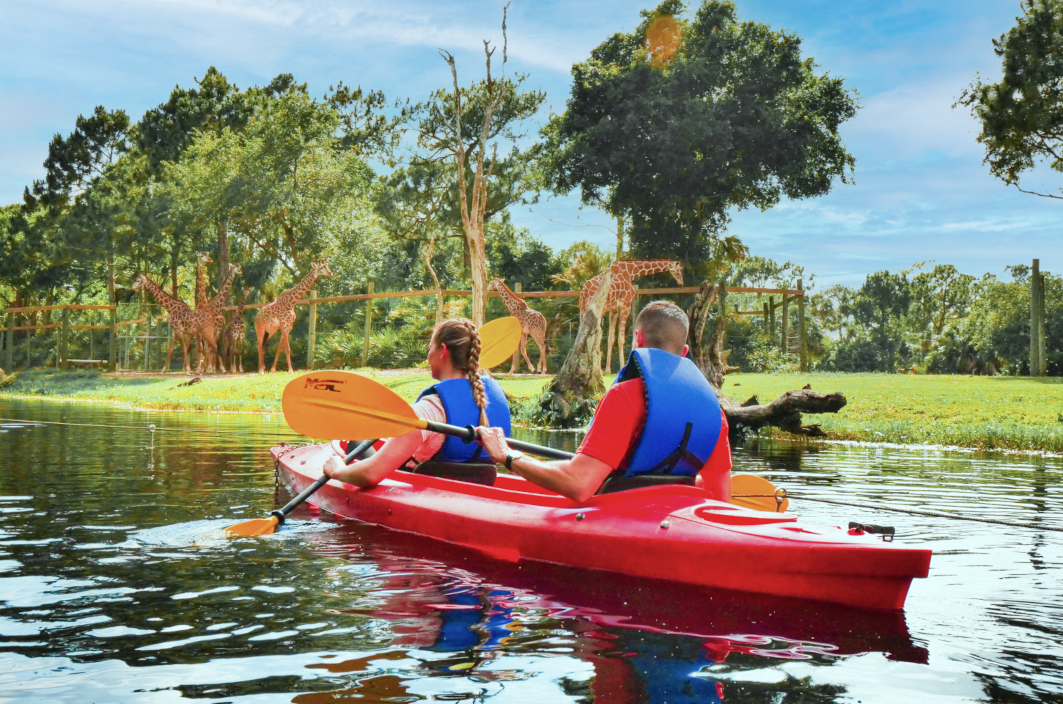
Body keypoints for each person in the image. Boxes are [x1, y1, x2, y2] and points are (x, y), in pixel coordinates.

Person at [478, 301, 731, 503]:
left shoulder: (625, 397)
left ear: (638, 340)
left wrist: (508, 456)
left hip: (615, 518)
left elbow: (578, 485)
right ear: (684, 352)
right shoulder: (714, 413)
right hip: (671, 522)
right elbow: (720, 500)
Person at [323, 318, 511, 487]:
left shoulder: (428, 410)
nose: (428, 356)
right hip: (478, 488)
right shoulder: (493, 398)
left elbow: (371, 475)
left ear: (442, 351)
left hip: (427, 490)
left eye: (430, 348)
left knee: (356, 442)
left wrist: (338, 471)